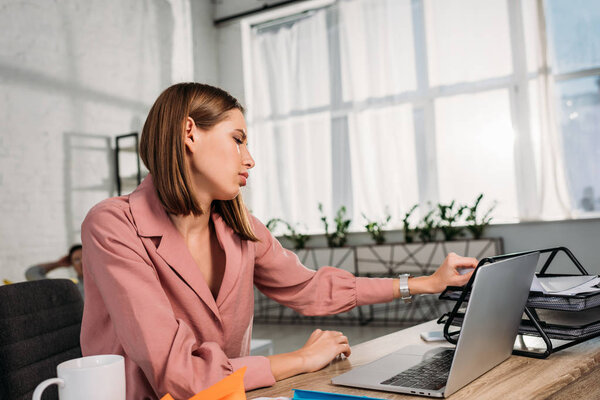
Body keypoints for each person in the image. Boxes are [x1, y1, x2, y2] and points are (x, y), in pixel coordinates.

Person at [80, 83, 478, 400]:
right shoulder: (114, 225)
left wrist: (426, 283)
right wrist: (301, 359)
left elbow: (309, 288)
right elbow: (182, 377)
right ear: (189, 133)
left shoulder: (239, 227)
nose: (249, 158)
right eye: (238, 139)